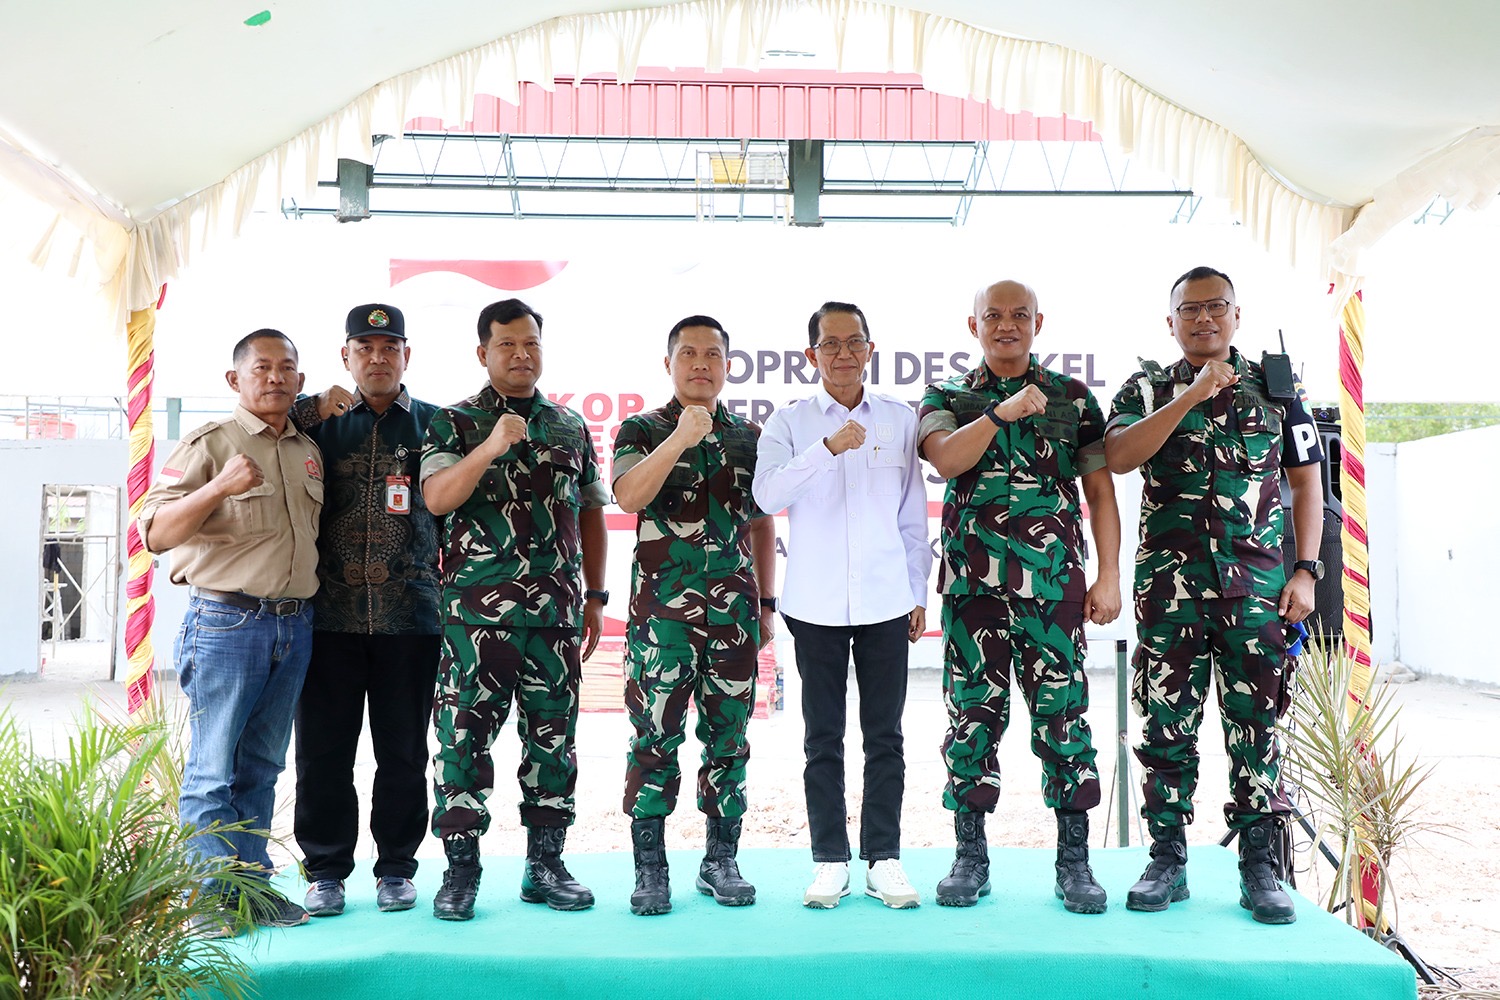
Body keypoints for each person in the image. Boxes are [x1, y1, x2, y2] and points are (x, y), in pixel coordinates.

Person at [1104, 265, 1324, 925]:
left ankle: (1259, 867)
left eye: (1216, 306)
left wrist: (1306, 571)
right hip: (1169, 592)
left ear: (1236, 314)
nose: (1204, 318)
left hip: (1256, 592)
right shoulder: (1146, 388)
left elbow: (1307, 483)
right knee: (1165, 727)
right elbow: (1119, 457)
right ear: (1170, 321)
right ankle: (1167, 859)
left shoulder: (1277, 390)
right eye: (1190, 309)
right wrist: (1191, 395)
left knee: (1256, 728)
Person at [917, 280, 1121, 913]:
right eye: (993, 316)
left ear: (1039, 321)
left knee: (1064, 718)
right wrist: (998, 414)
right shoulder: (948, 396)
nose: (1006, 325)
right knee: (972, 718)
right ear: (972, 324)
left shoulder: (1072, 397)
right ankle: (970, 855)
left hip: (1053, 588)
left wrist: (1108, 574)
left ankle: (1074, 861)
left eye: (1019, 315)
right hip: (973, 589)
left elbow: (1100, 491)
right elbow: (946, 460)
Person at [418, 298, 609, 920]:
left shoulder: (569, 426)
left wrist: (595, 596)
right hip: (477, 621)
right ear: (483, 353)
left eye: (531, 343)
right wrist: (489, 447)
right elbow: (438, 498)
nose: (522, 355)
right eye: (507, 344)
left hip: (554, 617)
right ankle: (461, 871)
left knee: (553, 742)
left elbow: (589, 512)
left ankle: (546, 865)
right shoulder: (453, 422)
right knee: (462, 744)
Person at [139, 329, 324, 934]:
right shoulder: (209, 443)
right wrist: (219, 486)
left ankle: (251, 890)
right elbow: (156, 533)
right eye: (261, 367)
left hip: (294, 625)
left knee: (263, 768)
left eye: (286, 367)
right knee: (213, 770)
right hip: (226, 622)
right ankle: (208, 899)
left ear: (299, 379)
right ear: (234, 379)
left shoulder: (307, 449)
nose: (275, 377)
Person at [753, 301, 931, 910]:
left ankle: (884, 860)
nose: (844, 354)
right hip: (815, 603)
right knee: (822, 738)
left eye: (855, 342)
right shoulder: (789, 423)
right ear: (812, 355)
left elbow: (912, 514)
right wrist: (826, 448)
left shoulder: (900, 419)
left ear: (870, 349)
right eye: (830, 344)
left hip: (887, 599)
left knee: (886, 736)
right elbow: (766, 495)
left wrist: (916, 591)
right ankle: (830, 860)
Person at [612, 315, 777, 916]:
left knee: (729, 739)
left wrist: (766, 604)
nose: (701, 364)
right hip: (663, 620)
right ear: (669, 364)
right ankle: (650, 867)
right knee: (654, 738)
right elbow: (628, 495)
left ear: (728, 365)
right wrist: (679, 438)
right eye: (688, 354)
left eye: (713, 354)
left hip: (733, 615)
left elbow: (761, 521)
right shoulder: (641, 428)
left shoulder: (751, 437)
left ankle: (720, 860)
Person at [288, 303, 441, 917]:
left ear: (407, 355)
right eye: (365, 348)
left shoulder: (436, 424)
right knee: (322, 752)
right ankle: (326, 870)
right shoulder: (318, 424)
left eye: (389, 347)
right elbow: (258, 420)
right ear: (345, 356)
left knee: (404, 751)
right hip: (327, 618)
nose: (378, 358)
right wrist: (309, 406)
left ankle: (397, 867)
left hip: (412, 619)